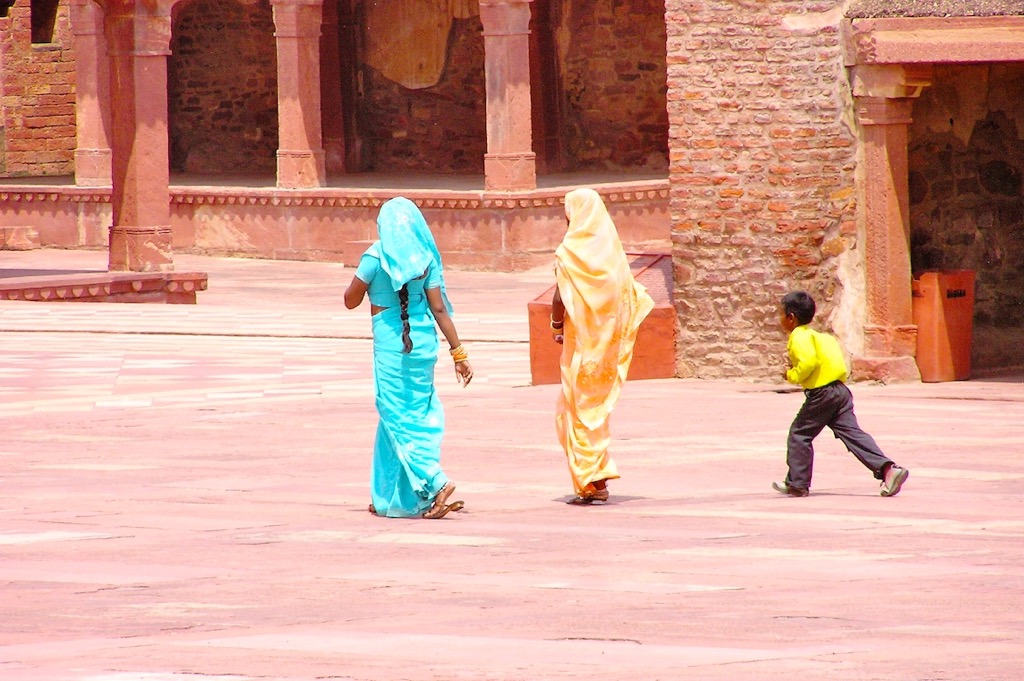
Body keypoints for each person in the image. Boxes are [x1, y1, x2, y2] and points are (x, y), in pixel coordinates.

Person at [344, 197, 473, 519]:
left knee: (397, 417)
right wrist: (459, 354)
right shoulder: (425, 258)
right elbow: (439, 308)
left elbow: (349, 301)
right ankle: (389, 496)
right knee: (405, 417)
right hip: (424, 344)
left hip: (391, 345)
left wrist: (367, 281)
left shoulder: (374, 257)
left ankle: (436, 481)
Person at [549, 188, 655, 504]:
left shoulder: (569, 254)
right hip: (605, 349)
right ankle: (599, 474)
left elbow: (558, 298)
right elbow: (629, 295)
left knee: (576, 410)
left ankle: (591, 479)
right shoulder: (612, 253)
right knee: (596, 411)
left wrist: (556, 327)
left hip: (580, 347)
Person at [774, 290, 909, 498]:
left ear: (791, 317)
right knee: (853, 434)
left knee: (799, 434)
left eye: (781, 314)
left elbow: (808, 362)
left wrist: (792, 374)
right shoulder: (823, 337)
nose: (779, 319)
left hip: (822, 394)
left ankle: (797, 483)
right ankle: (888, 470)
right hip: (840, 391)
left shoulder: (798, 336)